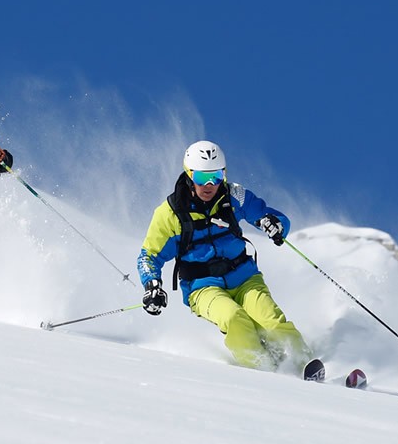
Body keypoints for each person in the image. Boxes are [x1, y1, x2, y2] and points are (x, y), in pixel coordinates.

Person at [137, 140, 322, 380]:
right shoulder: (170, 214)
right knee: (234, 318)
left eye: (216, 176)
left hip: (244, 276)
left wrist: (274, 224)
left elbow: (267, 214)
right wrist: (152, 286)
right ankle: (266, 371)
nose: (210, 185)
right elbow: (149, 256)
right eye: (202, 177)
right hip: (202, 287)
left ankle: (305, 364)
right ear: (189, 174)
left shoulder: (234, 195)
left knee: (270, 320)